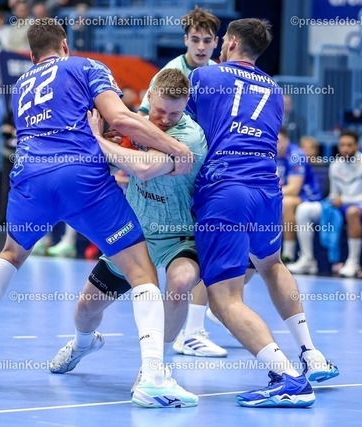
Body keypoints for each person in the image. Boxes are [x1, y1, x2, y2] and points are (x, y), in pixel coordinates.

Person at [0, 19, 198, 409]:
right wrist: (175, 148)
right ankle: (152, 378)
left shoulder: (22, 85)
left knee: (11, 254)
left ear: (32, 56)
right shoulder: (85, 66)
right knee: (142, 272)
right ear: (65, 44)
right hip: (80, 176)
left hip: (29, 177)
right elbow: (121, 119)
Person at [186, 18, 338, 408]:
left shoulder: (205, 76)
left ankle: (286, 378)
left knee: (223, 298)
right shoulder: (274, 89)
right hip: (267, 191)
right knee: (271, 265)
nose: (219, 46)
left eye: (223, 40)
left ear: (233, 42)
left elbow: (175, 125)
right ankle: (311, 354)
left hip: (226, 190)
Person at [49, 69, 225, 392]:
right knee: (86, 310)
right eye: (160, 111)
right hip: (135, 234)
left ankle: (155, 367)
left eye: (174, 113)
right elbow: (122, 147)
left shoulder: (189, 138)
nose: (165, 120)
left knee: (181, 282)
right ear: (150, 96)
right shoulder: (140, 122)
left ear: (186, 105)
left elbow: (143, 169)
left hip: (179, 236)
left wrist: (97, 140)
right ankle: (82, 343)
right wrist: (112, 140)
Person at [137, 6, 225, 357]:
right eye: (195, 39)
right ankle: (190, 330)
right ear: (185, 40)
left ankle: (198, 324)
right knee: (190, 259)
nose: (201, 46)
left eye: (207, 40)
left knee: (228, 252)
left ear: (217, 42)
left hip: (208, 170)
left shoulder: (218, 74)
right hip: (171, 176)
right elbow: (143, 119)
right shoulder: (169, 74)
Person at [288, 130, 362, 278]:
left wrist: (344, 200)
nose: (345, 149)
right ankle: (308, 259)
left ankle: (353, 262)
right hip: (340, 205)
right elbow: (334, 194)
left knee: (352, 212)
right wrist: (333, 200)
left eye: (349, 145)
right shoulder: (335, 165)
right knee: (304, 209)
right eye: (342, 145)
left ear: (357, 146)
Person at [275, 127, 323, 263]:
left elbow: (293, 189)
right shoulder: (267, 153)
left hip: (308, 197)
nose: (275, 145)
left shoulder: (296, 155)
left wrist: (267, 194)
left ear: (286, 140)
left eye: (278, 142)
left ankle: (288, 255)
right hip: (282, 194)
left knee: (286, 203)